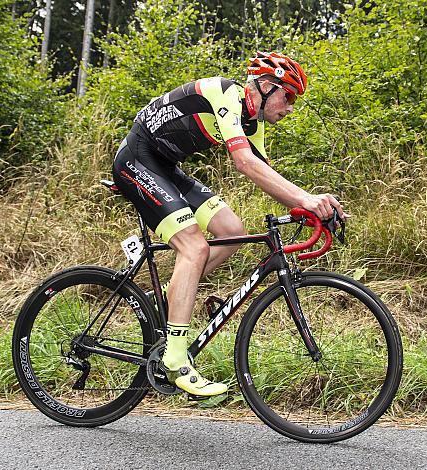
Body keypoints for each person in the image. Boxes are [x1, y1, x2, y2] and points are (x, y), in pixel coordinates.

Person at [111, 51, 346, 397]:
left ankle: (168, 301)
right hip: (136, 160)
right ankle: (175, 360)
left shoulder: (254, 122)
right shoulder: (226, 95)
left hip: (165, 167)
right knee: (194, 246)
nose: (291, 106)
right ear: (265, 87)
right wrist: (306, 199)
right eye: (289, 96)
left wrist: (311, 206)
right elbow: (244, 163)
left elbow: (265, 174)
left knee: (232, 232)